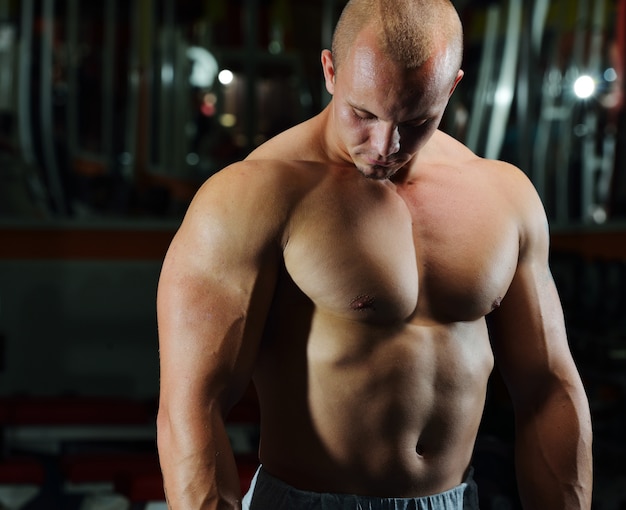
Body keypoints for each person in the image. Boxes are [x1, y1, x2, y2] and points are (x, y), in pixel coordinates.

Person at [156, 0, 593, 508]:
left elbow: (548, 389)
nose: (386, 143)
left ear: (452, 87)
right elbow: (192, 406)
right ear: (330, 71)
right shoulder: (253, 196)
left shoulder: (503, 195)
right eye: (363, 114)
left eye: (416, 119)